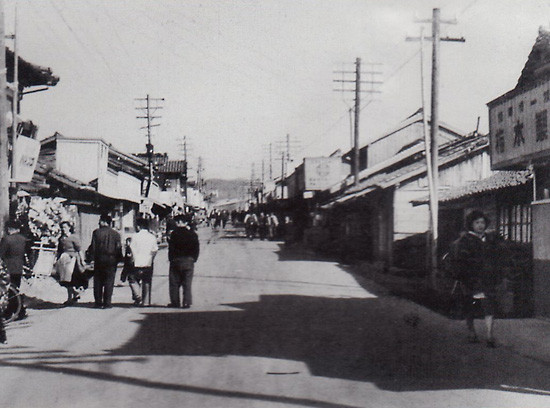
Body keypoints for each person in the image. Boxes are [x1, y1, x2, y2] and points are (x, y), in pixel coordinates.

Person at [454, 210, 507, 348]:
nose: (480, 225)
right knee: (469, 305)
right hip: (470, 278)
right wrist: (465, 275)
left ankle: (489, 335)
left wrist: (497, 273)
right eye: (477, 222)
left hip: (487, 278)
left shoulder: (490, 240)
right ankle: (472, 332)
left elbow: (497, 258)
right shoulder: (465, 241)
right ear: (471, 224)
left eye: (482, 222)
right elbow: (461, 260)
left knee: (489, 305)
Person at [87, 213, 122, 309]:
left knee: (98, 281)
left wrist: (90, 259)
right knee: (109, 281)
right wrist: (119, 259)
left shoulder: (96, 232)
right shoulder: (116, 234)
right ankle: (107, 303)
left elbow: (93, 247)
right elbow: (118, 248)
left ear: (104, 222)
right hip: (111, 259)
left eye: (100, 220)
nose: (98, 222)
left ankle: (98, 302)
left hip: (99, 259)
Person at [168, 214, 199, 308]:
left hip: (176, 260)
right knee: (187, 283)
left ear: (184, 222)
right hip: (189, 260)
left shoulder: (174, 234)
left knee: (174, 283)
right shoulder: (193, 234)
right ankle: (186, 302)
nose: (177, 223)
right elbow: (196, 248)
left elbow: (171, 248)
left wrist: (171, 259)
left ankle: (175, 302)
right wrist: (194, 258)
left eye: (178, 222)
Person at [0, 220, 28, 319]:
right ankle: (19, 311)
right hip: (18, 267)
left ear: (9, 229)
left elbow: (1, 254)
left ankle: (11, 312)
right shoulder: (23, 239)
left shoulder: (7, 239)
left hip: (8, 267)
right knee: (15, 289)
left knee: (8, 290)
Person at [128, 218, 158, 306]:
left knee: (132, 279)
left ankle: (138, 296)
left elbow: (132, 248)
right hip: (148, 262)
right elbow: (155, 249)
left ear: (138, 226)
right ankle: (146, 302)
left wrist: (132, 258)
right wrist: (152, 258)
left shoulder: (135, 236)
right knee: (147, 281)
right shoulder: (152, 237)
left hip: (136, 262)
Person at [56, 221, 87, 306]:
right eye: (62, 228)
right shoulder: (61, 239)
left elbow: (79, 250)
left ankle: (74, 295)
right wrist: (57, 260)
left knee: (72, 279)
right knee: (66, 280)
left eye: (65, 227)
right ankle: (71, 297)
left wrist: (82, 260)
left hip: (73, 261)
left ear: (69, 228)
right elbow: (59, 251)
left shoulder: (74, 237)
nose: (63, 229)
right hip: (64, 261)